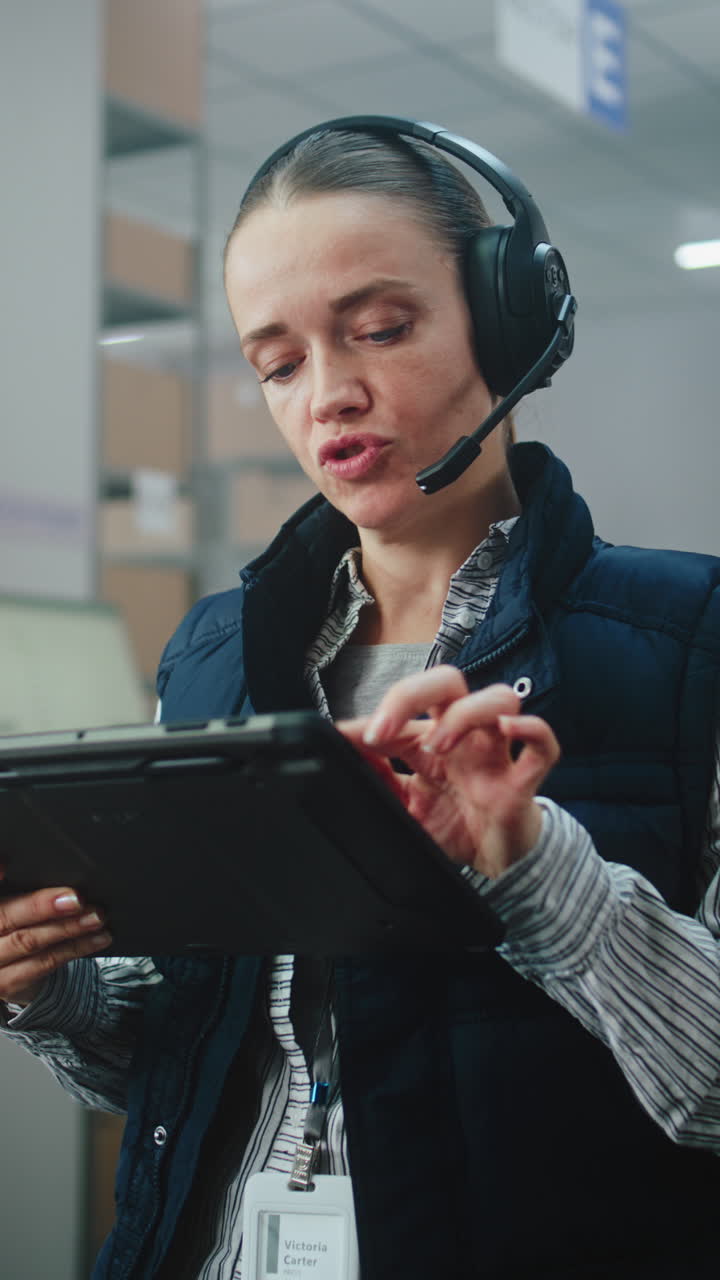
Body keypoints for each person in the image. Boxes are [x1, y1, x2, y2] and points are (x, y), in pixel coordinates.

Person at [1, 119, 720, 1280]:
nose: (328, 395)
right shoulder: (212, 653)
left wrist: (537, 867)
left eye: (379, 330)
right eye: (278, 364)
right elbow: (198, 1056)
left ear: (510, 320)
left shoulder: (694, 640)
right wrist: (54, 988)